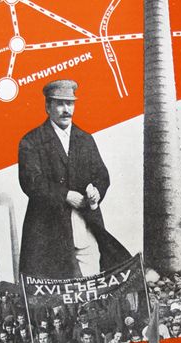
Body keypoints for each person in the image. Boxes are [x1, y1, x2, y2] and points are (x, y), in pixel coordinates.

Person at [18, 79, 130, 279]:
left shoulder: (85, 139)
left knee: (92, 282)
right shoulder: (31, 141)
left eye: (70, 103)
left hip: (86, 226)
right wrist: (65, 195)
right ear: (47, 107)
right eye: (60, 104)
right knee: (57, 289)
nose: (66, 109)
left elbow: (102, 175)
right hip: (48, 232)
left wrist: (96, 192)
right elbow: (31, 181)